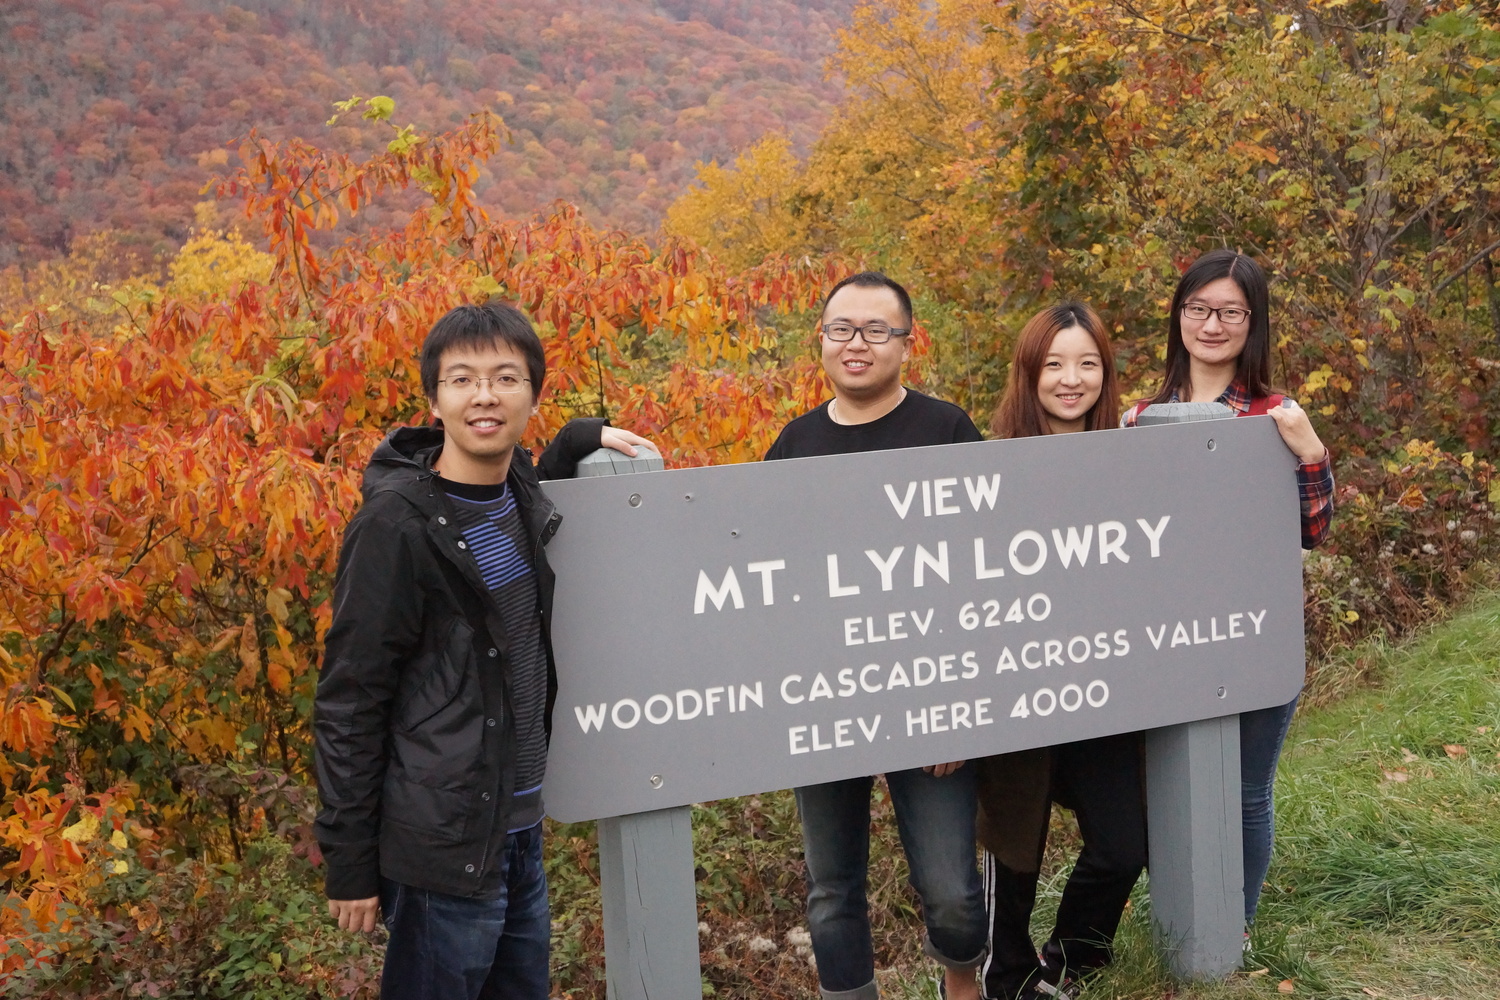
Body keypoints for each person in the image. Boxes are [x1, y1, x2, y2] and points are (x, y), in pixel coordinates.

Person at [313, 300, 654, 1000]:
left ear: (532, 391)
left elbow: (531, 466)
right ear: (434, 400)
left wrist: (583, 437)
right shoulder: (396, 526)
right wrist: (348, 859)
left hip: (522, 832)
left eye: (506, 378)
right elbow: (350, 698)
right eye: (462, 380)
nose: (485, 397)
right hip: (443, 844)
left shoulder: (517, 491)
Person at [764, 271, 987, 1000]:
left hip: (931, 704)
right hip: (826, 700)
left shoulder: (947, 430)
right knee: (832, 891)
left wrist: (959, 699)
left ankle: (963, 981)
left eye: (875, 331)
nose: (856, 345)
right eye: (841, 329)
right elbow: (766, 580)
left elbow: (990, 574)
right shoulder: (794, 444)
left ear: (906, 342)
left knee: (951, 891)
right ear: (820, 339)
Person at [1122, 249, 1334, 934]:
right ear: (1179, 317)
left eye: (1230, 312)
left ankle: (1234, 926)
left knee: (1245, 793)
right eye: (1198, 309)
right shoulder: (1140, 419)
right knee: (1169, 787)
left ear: (1253, 322)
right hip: (1169, 638)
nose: (1212, 324)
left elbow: (1313, 532)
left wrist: (1310, 454)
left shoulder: (1276, 415)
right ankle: (1180, 925)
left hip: (1256, 633)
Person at [976, 303, 1144, 1000]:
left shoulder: (1133, 461)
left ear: (1104, 373)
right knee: (1013, 850)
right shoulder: (988, 468)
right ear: (1029, 373)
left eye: (1086, 364)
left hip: (1102, 689)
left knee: (1126, 842)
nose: (1070, 380)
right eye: (1053, 364)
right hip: (1017, 687)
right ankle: (1007, 978)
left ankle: (1070, 961)